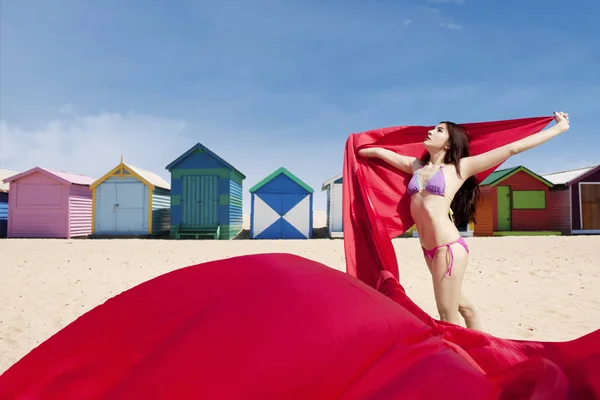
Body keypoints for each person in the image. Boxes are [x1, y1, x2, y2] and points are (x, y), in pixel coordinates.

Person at [357, 111, 570, 331]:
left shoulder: (459, 168)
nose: (430, 131)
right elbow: (378, 153)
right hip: (429, 250)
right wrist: (356, 146)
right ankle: (483, 352)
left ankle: (463, 361)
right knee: (466, 308)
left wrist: (559, 128)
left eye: (439, 130)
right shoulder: (416, 167)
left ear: (449, 144)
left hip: (447, 248)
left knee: (446, 316)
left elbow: (511, 148)